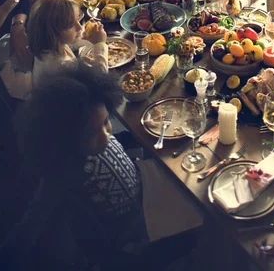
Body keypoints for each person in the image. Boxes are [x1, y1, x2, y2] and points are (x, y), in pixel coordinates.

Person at [15, 62, 200, 266]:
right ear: (65, 138)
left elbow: (114, 142)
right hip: (141, 225)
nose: (106, 135)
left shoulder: (94, 128)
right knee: (203, 206)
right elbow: (31, 224)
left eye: (106, 122)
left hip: (144, 184)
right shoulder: (62, 172)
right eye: (93, 133)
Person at [28, 0, 107, 88]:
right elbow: (100, 77)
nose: (79, 27)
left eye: (78, 19)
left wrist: (91, 38)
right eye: (70, 25)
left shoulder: (51, 45)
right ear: (52, 32)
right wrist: (99, 44)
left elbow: (72, 44)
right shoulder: (60, 65)